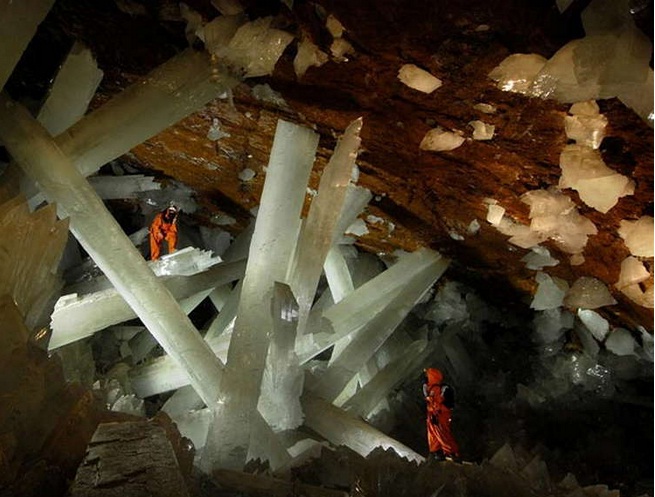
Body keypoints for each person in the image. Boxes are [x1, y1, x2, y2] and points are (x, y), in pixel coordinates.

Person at [423, 367, 460, 461]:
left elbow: (437, 404)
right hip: (434, 415)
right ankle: (438, 453)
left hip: (439, 415)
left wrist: (434, 410)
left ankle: (452, 454)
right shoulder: (432, 388)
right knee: (434, 436)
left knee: (443, 435)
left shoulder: (436, 389)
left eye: (427, 375)